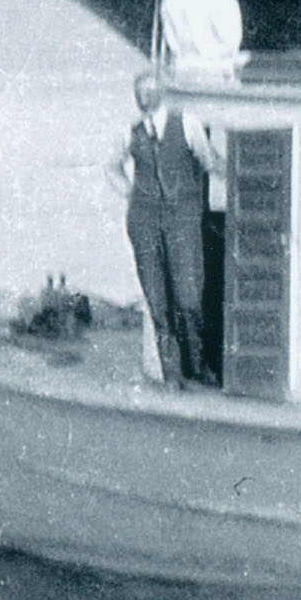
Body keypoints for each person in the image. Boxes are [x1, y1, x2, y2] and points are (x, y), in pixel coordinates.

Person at [117, 71, 222, 388]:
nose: (143, 98)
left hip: (181, 219)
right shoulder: (131, 131)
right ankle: (172, 375)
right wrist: (131, 192)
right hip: (144, 221)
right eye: (139, 92)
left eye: (149, 91)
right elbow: (111, 167)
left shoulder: (186, 123)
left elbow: (208, 161)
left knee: (188, 296)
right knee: (157, 300)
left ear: (160, 93)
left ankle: (197, 366)